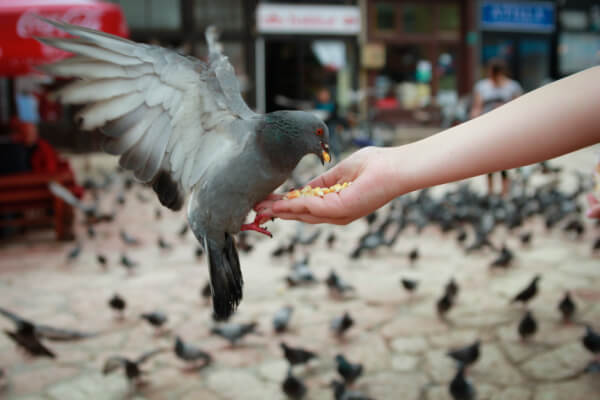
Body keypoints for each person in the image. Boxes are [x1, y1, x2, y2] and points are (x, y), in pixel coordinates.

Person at [256, 66, 600, 224]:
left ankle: (502, 194)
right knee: (498, 167)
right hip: (508, 141)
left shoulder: (509, 87)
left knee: (504, 169)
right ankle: (498, 192)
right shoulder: (485, 86)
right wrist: (392, 167)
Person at [470, 58, 523, 197]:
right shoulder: (482, 86)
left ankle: (505, 192)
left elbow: (520, 106)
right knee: (488, 161)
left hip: (505, 128)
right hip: (487, 128)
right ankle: (490, 192)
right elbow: (477, 107)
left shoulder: (512, 86)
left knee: (504, 162)